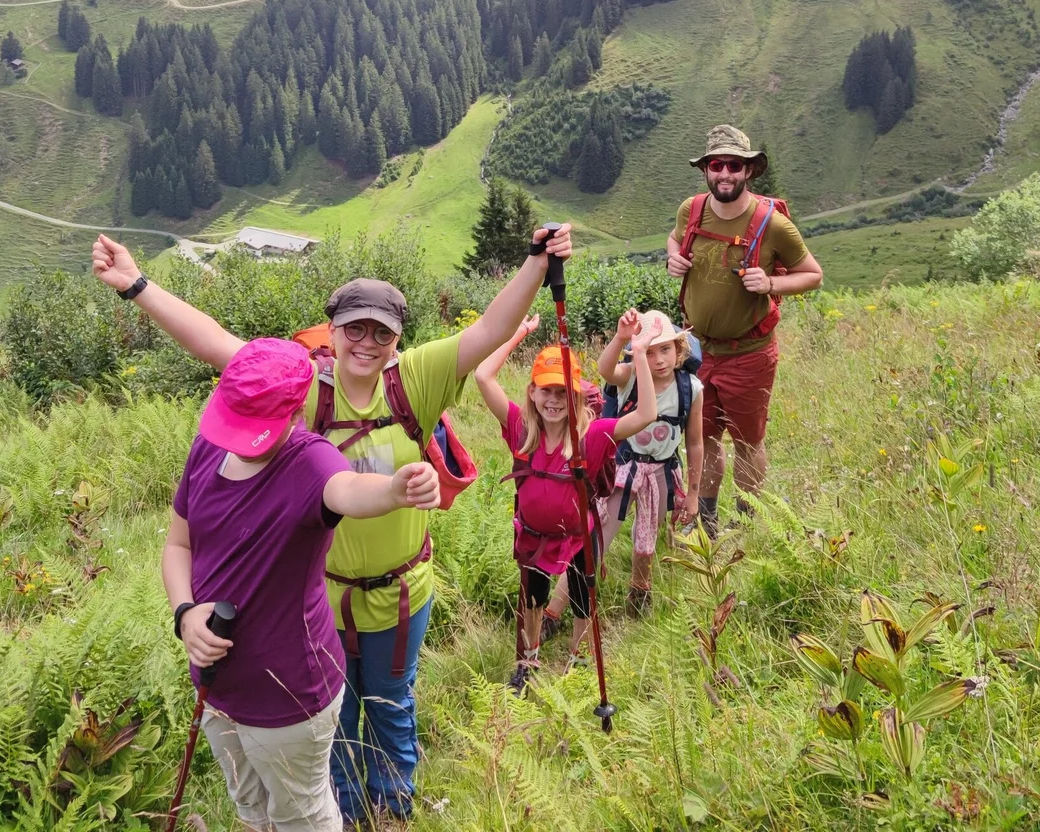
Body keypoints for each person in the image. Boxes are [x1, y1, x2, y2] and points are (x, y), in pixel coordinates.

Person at [92, 222, 572, 825]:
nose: (366, 342)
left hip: (400, 590)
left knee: (390, 702)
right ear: (334, 331)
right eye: (354, 329)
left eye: (381, 332)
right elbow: (216, 344)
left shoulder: (415, 380)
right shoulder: (302, 385)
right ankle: (344, 809)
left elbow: (490, 329)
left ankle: (394, 806)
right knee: (339, 712)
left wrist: (534, 263)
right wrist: (136, 284)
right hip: (324, 594)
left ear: (397, 340)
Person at [163, 337, 441, 832]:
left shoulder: (310, 462)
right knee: (249, 805)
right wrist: (185, 614)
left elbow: (351, 490)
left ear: (296, 413)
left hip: (289, 692)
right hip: (215, 681)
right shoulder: (207, 448)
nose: (239, 436)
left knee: (302, 816)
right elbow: (179, 545)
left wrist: (397, 489)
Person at [472, 330, 656, 691]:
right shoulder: (521, 427)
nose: (553, 400)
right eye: (546, 390)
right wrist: (516, 333)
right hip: (533, 537)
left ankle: (579, 658)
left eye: (563, 393)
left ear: (575, 396)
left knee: (582, 600)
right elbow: (482, 376)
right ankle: (530, 659)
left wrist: (642, 356)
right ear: (532, 392)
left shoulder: (594, 435)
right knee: (534, 599)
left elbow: (647, 414)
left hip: (578, 538)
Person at [664, 125, 823, 533]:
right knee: (705, 436)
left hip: (749, 354)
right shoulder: (692, 210)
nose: (725, 174)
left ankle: (749, 518)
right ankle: (709, 517)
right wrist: (673, 259)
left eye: (734, 165)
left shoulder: (773, 225)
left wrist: (770, 284)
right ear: (706, 170)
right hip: (695, 351)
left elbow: (812, 275)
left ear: (749, 171)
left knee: (749, 441)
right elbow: (674, 239)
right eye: (717, 165)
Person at [595, 308, 703, 615]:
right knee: (603, 527)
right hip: (625, 467)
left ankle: (639, 595)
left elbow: (695, 442)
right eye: (650, 352)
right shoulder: (630, 376)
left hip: (662, 471)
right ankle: (574, 592)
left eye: (665, 349)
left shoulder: (691, 389)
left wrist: (693, 494)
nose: (658, 360)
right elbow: (605, 370)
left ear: (679, 348)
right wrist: (620, 337)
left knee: (648, 535)